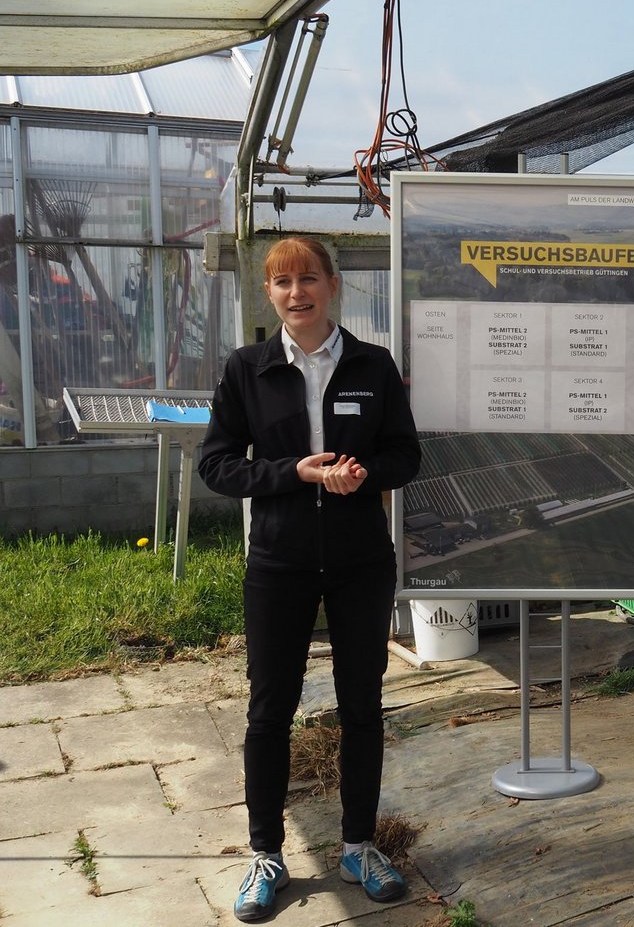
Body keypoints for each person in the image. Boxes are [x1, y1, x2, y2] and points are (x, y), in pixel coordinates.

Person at [199, 236, 421, 922]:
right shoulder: (248, 370)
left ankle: (359, 845)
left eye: (309, 279)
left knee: (361, 704)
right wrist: (291, 473)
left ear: (333, 286)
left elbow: (404, 455)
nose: (296, 293)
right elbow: (217, 466)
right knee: (270, 709)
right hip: (279, 561)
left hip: (359, 562)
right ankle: (266, 853)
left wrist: (363, 474)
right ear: (270, 293)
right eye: (282, 282)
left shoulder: (372, 365)